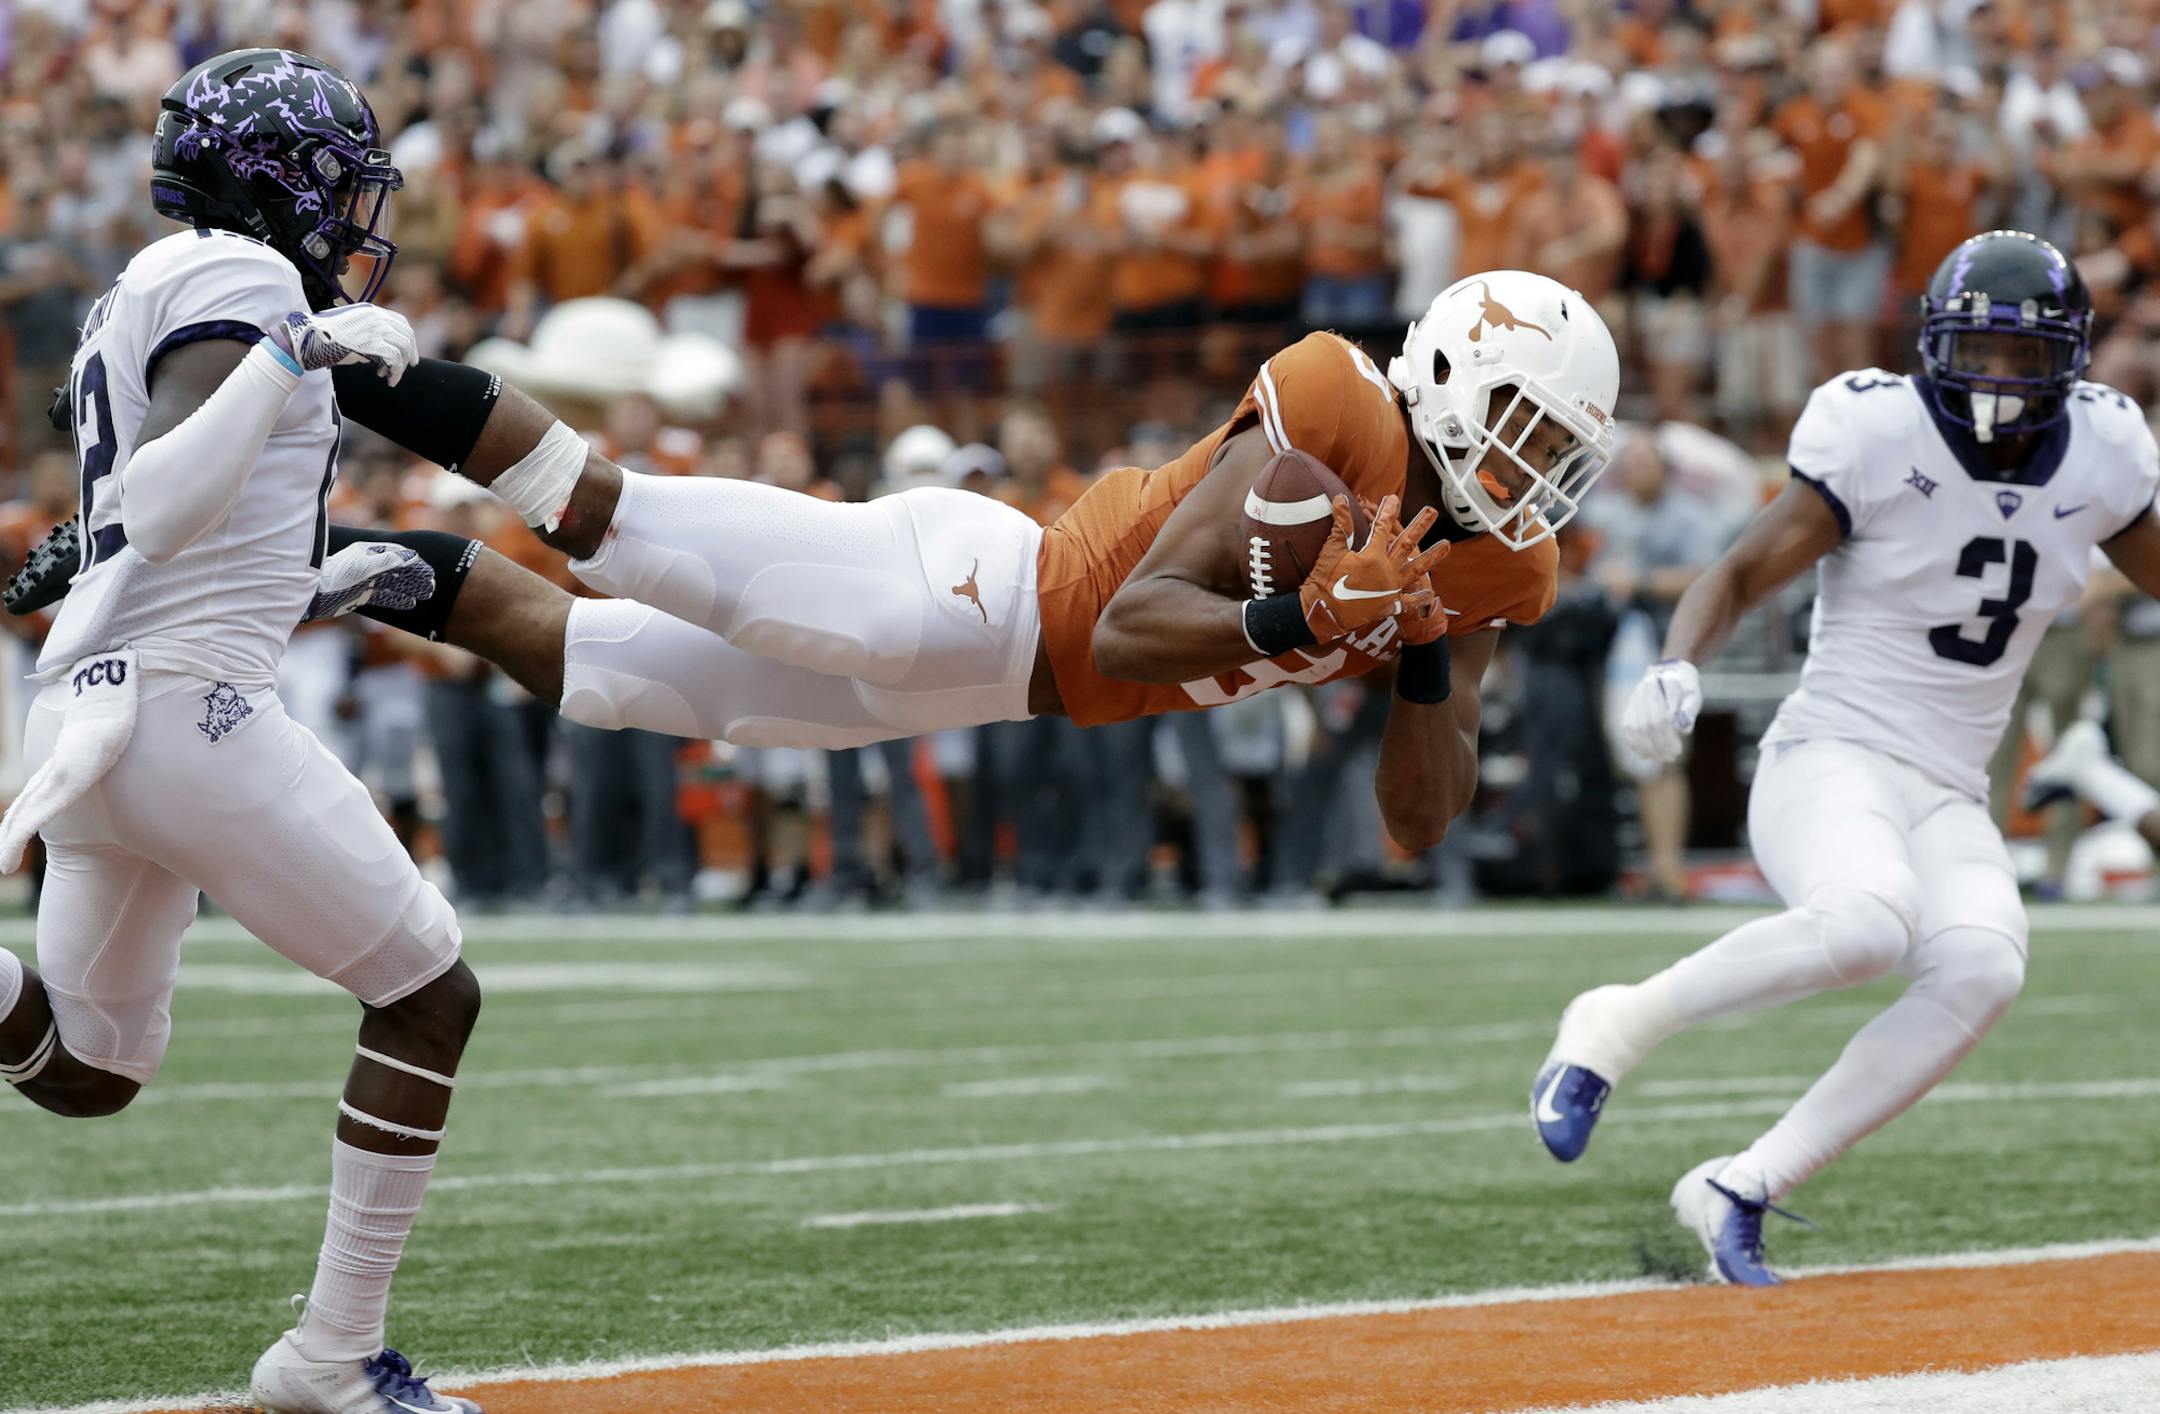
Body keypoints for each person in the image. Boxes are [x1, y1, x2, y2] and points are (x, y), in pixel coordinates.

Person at [24, 272, 1620, 864]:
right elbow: (1137, 622)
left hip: (993, 692)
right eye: (1530, 434)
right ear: (1457, 382)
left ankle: (390, 565)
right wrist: (1298, 609)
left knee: (615, 673)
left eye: (1564, 456)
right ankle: (356, 369)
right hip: (980, 589)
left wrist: (1408, 640)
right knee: (629, 527)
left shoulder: (1497, 572)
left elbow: (1420, 819)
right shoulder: (1337, 407)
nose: (1538, 479)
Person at [1530, 232, 2160, 1287]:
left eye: (2023, 358)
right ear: (1936, 345)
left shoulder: (2105, 450)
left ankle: (1742, 1185)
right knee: (1869, 921)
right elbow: (1737, 570)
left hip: (1950, 784)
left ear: (2071, 362)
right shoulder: (1876, 428)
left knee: (1984, 965)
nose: (2000, 380)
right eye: (1982, 353)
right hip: (1835, 751)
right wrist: (1680, 666)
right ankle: (1616, 1019)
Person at [0, 51, 481, 1414]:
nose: (348, 219)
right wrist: (290, 345)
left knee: (87, 1069)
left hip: (93, 705)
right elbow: (160, 504)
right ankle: (328, 1361)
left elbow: (172, 534)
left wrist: (329, 577)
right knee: (428, 991)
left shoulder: (140, 291)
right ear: (269, 179)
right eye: (333, 185)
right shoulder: (246, 281)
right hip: (181, 708)